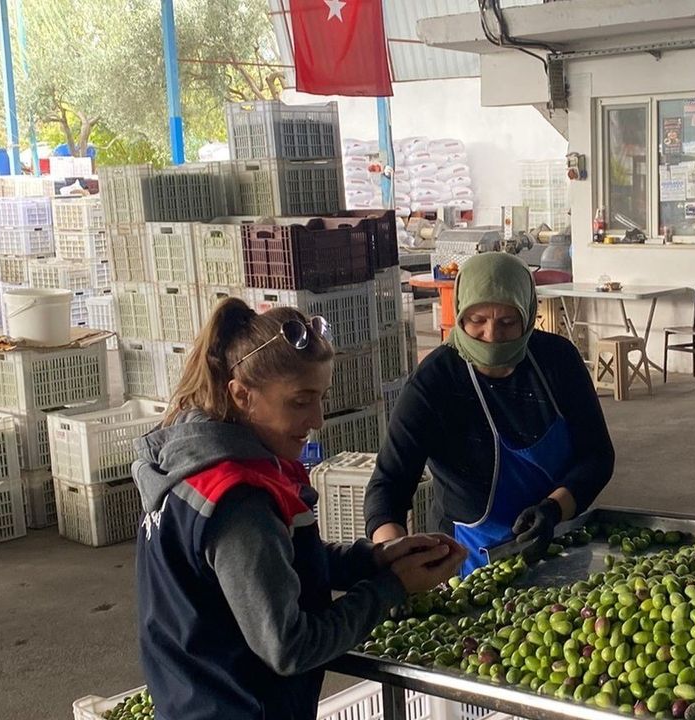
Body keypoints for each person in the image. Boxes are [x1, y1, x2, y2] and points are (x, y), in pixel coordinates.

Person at [132, 299, 465, 720]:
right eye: (300, 401)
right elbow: (289, 647)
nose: (318, 419)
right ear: (242, 395)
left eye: (321, 398)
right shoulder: (238, 502)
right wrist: (390, 589)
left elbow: (274, 564)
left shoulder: (190, 463)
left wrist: (373, 559)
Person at [364, 253, 615, 575]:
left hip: (560, 542)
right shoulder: (435, 382)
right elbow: (389, 485)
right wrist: (394, 559)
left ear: (528, 315)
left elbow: (596, 455)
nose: (492, 335)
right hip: (464, 561)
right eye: (477, 320)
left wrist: (553, 509)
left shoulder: (557, 361)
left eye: (508, 322)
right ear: (459, 315)